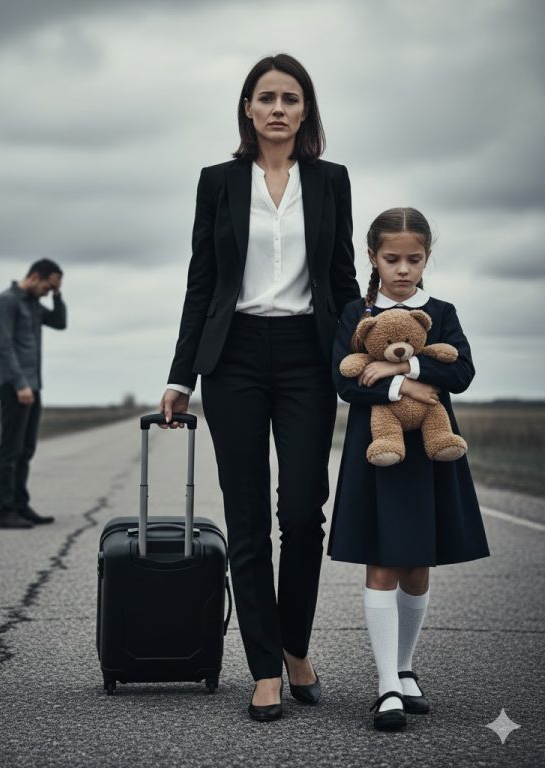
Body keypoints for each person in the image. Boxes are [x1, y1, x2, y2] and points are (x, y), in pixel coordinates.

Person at [160, 54, 360, 721]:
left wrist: (362, 356)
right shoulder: (218, 182)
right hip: (234, 359)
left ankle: (295, 644)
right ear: (247, 108)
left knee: (302, 512)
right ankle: (266, 667)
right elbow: (202, 282)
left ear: (306, 111)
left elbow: (342, 279)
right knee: (247, 522)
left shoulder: (331, 181)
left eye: (290, 98)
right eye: (266, 97)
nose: (278, 108)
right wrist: (180, 374)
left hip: (307, 356)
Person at [328, 207, 489, 730]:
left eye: (414, 259)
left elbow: (461, 371)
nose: (403, 269)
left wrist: (401, 367)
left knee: (417, 566)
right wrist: (407, 388)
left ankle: (405, 667)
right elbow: (346, 381)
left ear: (426, 259)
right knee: (381, 562)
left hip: (428, 453)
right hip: (377, 451)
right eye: (392, 258)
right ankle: (387, 687)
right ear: (372, 257)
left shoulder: (440, 312)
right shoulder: (355, 313)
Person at [0, 259, 67, 529]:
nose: (47, 293)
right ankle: (6, 510)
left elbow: (59, 322)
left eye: (51, 290)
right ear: (35, 277)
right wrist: (20, 384)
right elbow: (4, 346)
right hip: (15, 386)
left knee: (26, 449)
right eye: (47, 287)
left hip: (32, 386)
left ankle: (21, 506)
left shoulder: (33, 305)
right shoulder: (6, 302)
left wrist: (57, 294)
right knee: (11, 450)